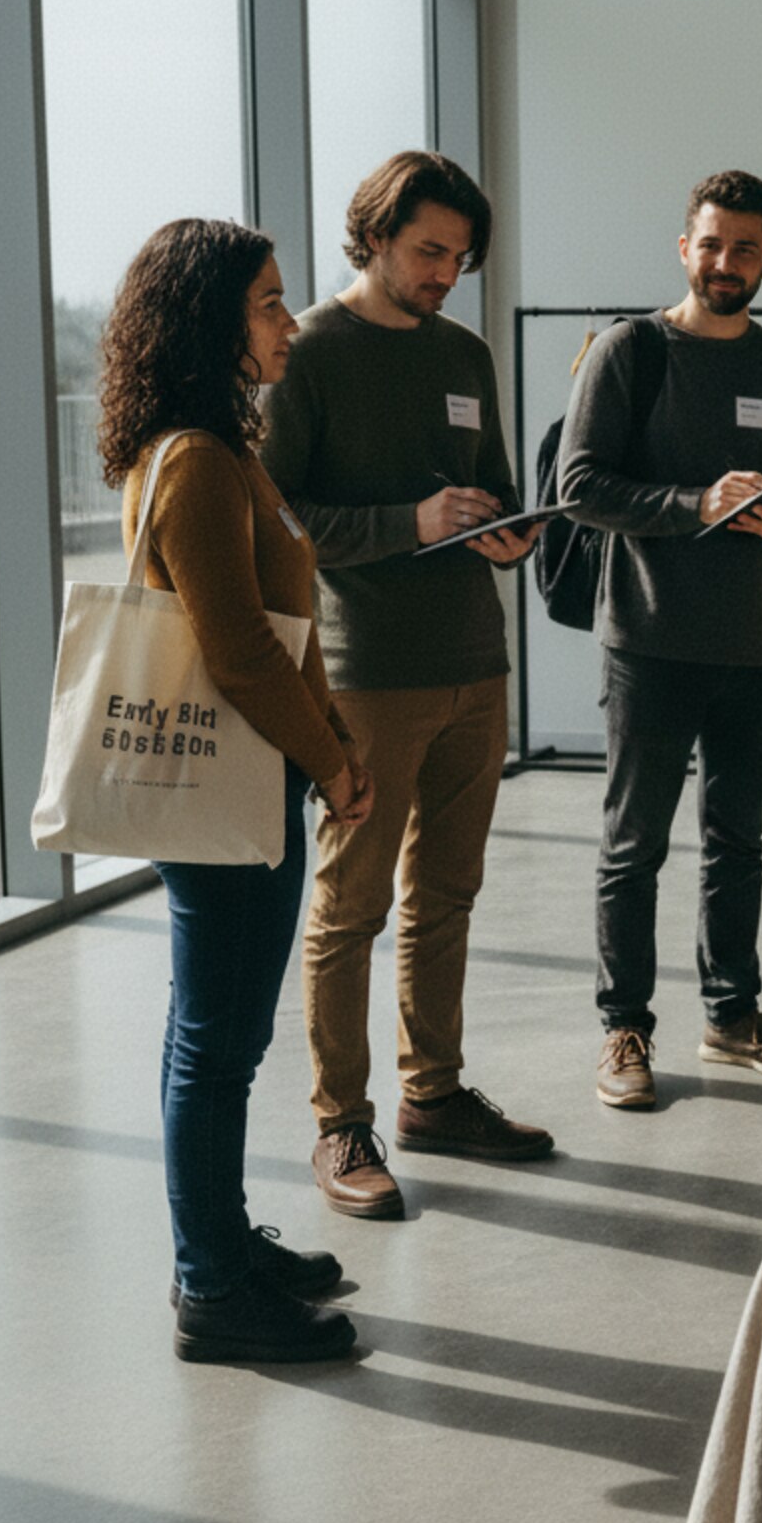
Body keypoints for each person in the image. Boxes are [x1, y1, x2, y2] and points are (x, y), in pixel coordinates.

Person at [97, 218, 372, 1363]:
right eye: (267, 302)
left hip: (253, 781)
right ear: (211, 320)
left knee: (215, 1040)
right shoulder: (200, 463)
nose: (287, 321)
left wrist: (329, 734)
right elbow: (241, 650)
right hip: (234, 793)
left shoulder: (218, 446)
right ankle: (213, 1285)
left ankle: (217, 1247)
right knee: (214, 1048)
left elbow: (276, 632)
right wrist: (334, 757)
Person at [261, 152, 553, 1220]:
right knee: (351, 905)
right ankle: (341, 1122)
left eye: (459, 257)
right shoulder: (308, 355)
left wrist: (509, 535)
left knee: (449, 894)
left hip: (476, 660)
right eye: (429, 251)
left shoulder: (466, 351)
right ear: (375, 234)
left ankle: (432, 1091)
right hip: (364, 675)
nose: (445, 272)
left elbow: (498, 494)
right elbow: (280, 520)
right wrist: (407, 524)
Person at [557, 170, 762, 1109]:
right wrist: (691, 504)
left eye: (745, 249)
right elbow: (579, 485)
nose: (726, 263)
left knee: (738, 841)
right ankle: (624, 1031)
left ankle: (732, 1016)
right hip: (649, 642)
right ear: (685, 248)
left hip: (759, 645)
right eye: (711, 245)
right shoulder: (631, 352)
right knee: (635, 845)